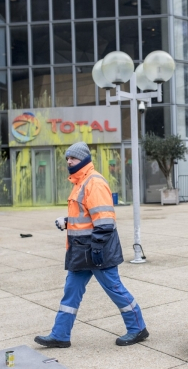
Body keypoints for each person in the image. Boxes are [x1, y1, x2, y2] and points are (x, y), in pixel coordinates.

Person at [34, 142, 148, 348]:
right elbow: (87, 217)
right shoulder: (80, 182)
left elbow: (105, 222)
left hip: (97, 251)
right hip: (81, 251)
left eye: (73, 158)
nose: (69, 161)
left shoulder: (93, 182)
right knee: (71, 291)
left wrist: (96, 248)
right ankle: (60, 335)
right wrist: (67, 221)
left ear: (85, 159)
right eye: (67, 158)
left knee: (115, 289)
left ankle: (137, 328)